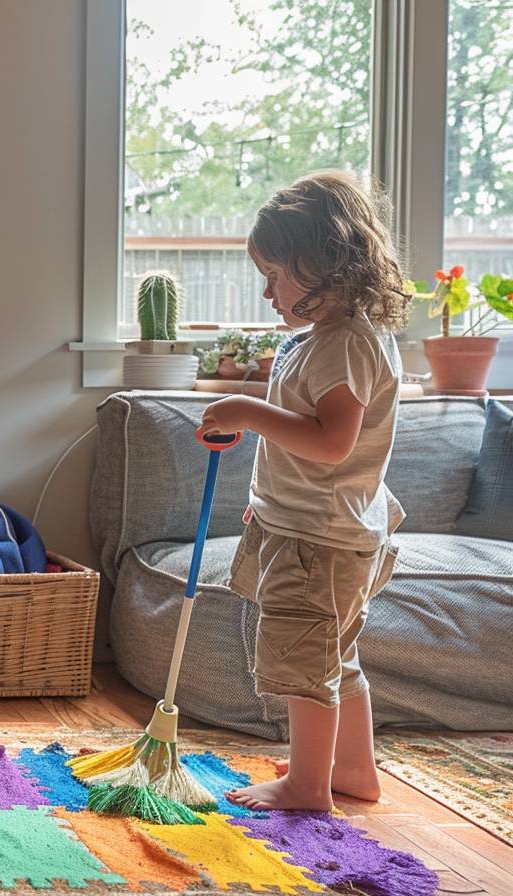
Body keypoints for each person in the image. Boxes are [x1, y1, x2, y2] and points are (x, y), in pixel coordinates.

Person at [198, 171, 407, 811]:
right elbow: (311, 451)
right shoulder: (322, 342)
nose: (267, 291)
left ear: (324, 264)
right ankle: (353, 773)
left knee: (302, 662)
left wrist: (246, 410)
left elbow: (331, 443)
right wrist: (267, 498)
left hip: (318, 542)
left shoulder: (344, 345)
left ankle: (308, 785)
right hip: (313, 527)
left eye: (276, 274)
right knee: (335, 658)